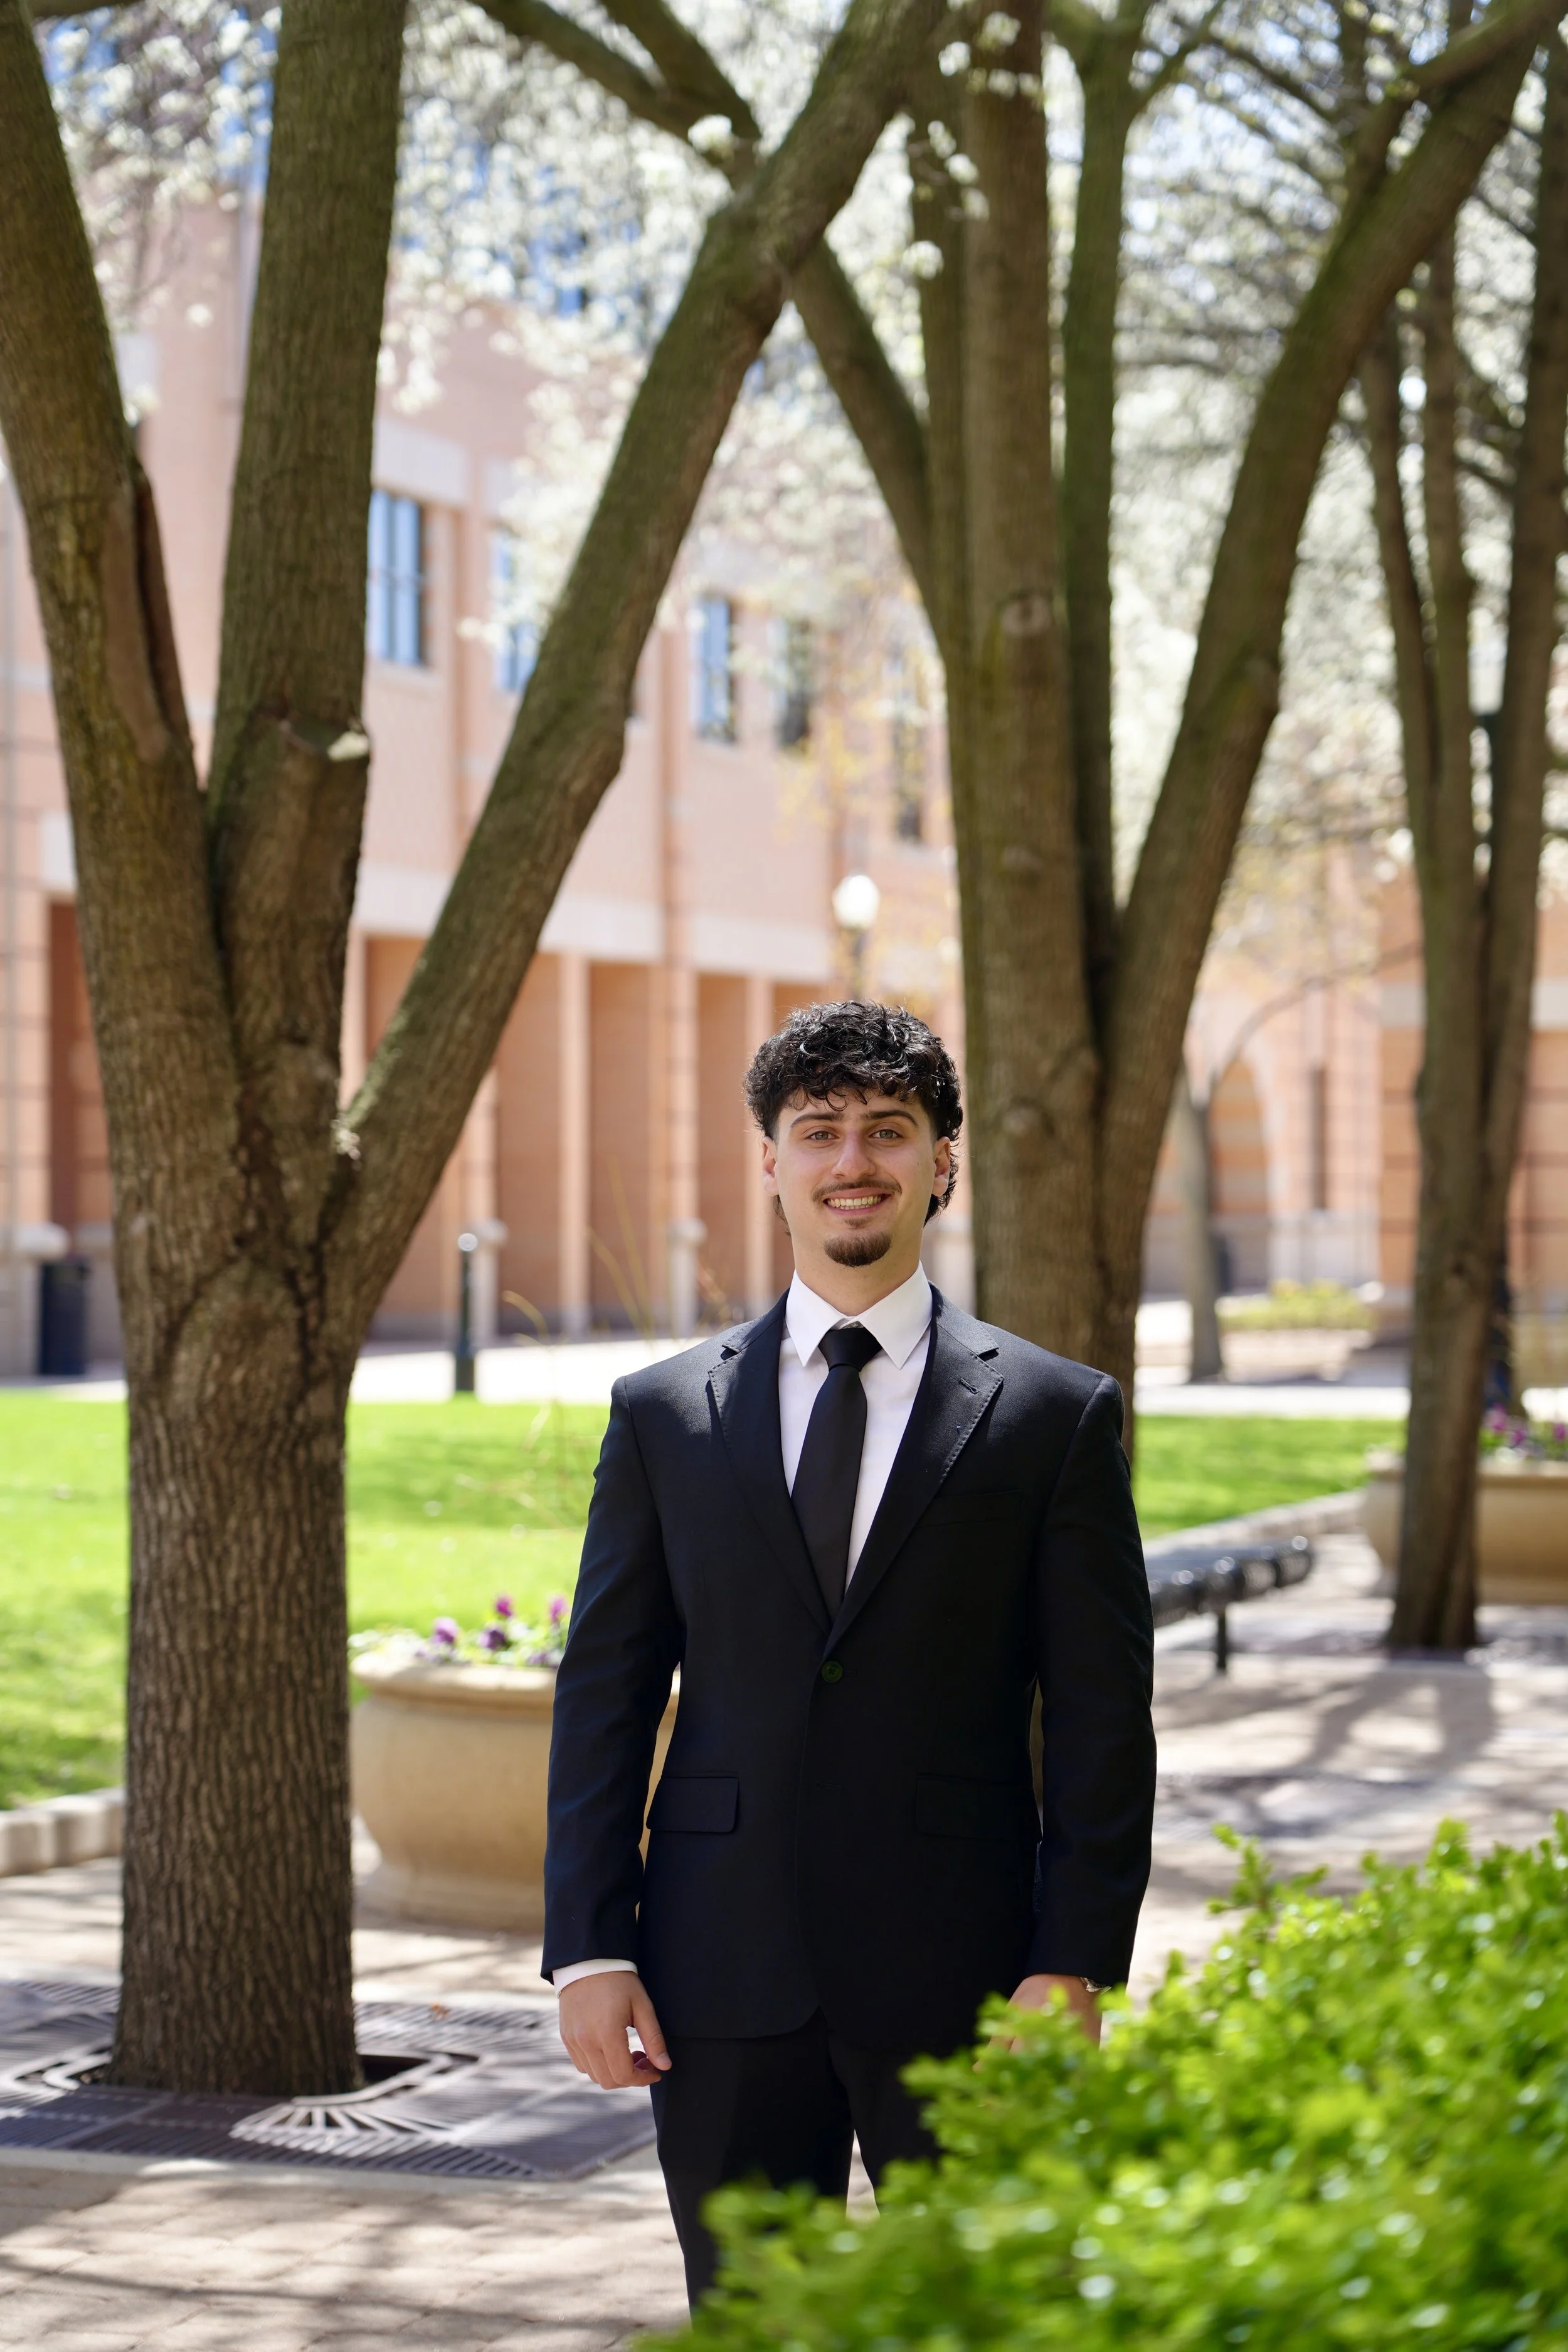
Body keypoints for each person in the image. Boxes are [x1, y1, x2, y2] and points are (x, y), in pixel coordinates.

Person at [544, 1002, 1155, 2304]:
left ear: (945, 1161)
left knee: (980, 2321)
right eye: (815, 1131)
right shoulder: (661, 1415)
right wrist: (588, 1948)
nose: (851, 1160)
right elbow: (604, 1692)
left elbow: (1103, 1715)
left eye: (888, 1129)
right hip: (716, 1968)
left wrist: (1073, 1959)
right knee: (749, 2322)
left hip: (970, 1978)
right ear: (767, 1161)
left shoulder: (1053, 1416)